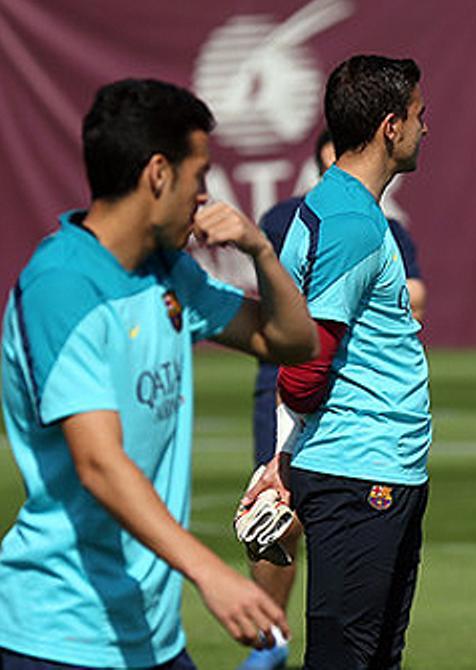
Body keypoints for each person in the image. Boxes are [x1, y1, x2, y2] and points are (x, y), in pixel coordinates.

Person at [0, 78, 319, 669]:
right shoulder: (61, 287)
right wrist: (210, 574)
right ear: (157, 174)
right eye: (199, 176)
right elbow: (98, 464)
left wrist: (260, 251)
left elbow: (294, 343)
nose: (204, 196)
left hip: (151, 636)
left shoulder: (167, 272)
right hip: (56, 635)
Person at [248, 54, 431, 669]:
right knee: (345, 658)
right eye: (417, 116)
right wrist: (288, 458)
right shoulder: (352, 220)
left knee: (373, 656)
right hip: (360, 475)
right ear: (389, 127)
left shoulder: (335, 204)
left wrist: (283, 457)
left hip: (371, 467)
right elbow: (305, 367)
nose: (424, 129)